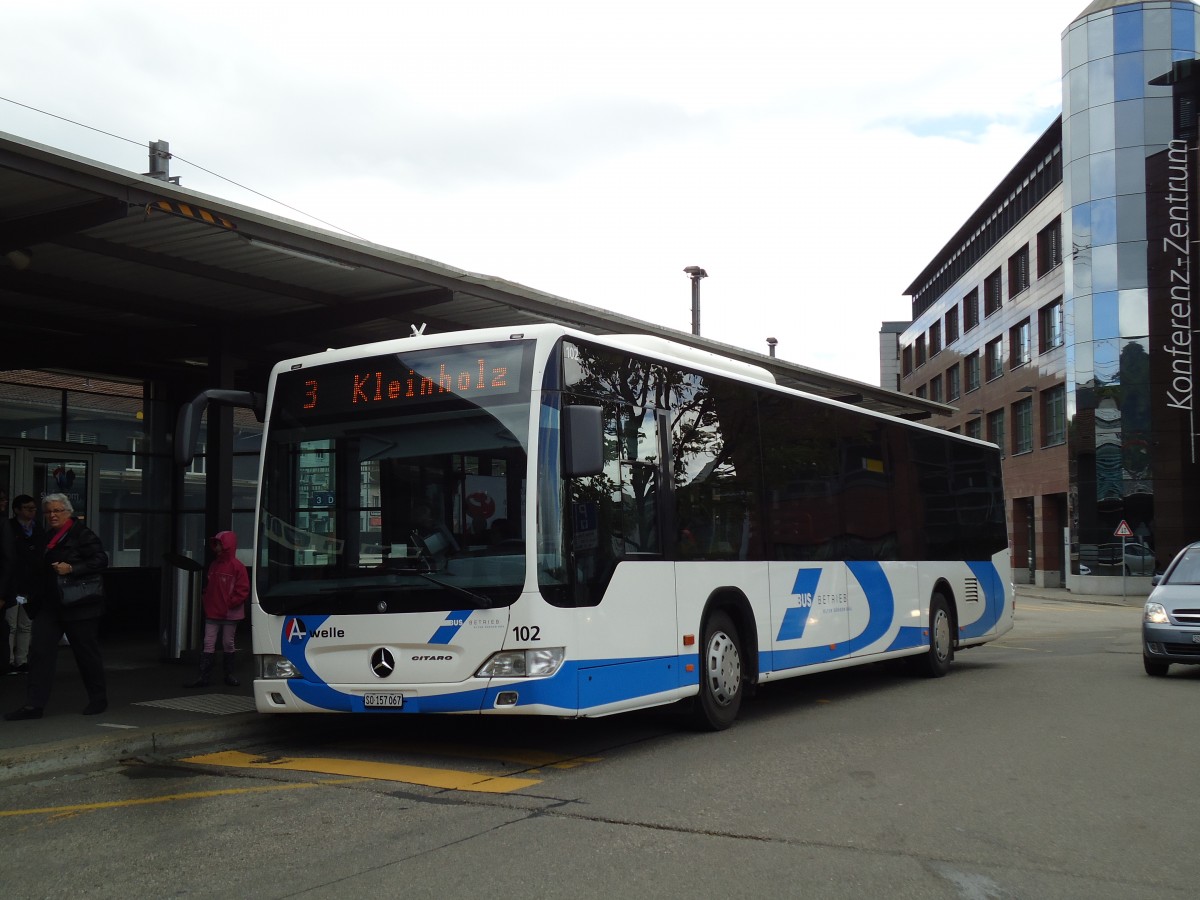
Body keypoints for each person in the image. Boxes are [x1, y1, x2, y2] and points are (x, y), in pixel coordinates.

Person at [5, 493, 109, 720]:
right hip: (51, 605)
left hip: (79, 605)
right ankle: (34, 705)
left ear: (68, 512)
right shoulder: (47, 535)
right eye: (48, 511)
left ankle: (98, 699)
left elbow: (101, 560)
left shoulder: (82, 534)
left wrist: (72, 568)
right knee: (39, 653)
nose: (52, 515)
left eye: (57, 511)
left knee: (86, 654)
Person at [185, 531, 248, 688]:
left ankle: (209, 675)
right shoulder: (229, 566)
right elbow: (241, 590)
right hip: (222, 610)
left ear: (226, 545)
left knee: (224, 642)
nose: (217, 547)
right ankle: (223, 675)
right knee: (214, 642)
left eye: (219, 543)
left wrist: (222, 602)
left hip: (224, 611)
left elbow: (242, 590)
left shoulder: (234, 567)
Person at [5, 494, 42, 674]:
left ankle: (22, 660)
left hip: (29, 583)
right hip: (12, 583)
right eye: (27, 508)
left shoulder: (37, 529)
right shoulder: (9, 528)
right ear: (17, 510)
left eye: (34, 508)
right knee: (10, 624)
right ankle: (8, 660)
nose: (32, 512)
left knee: (25, 624)